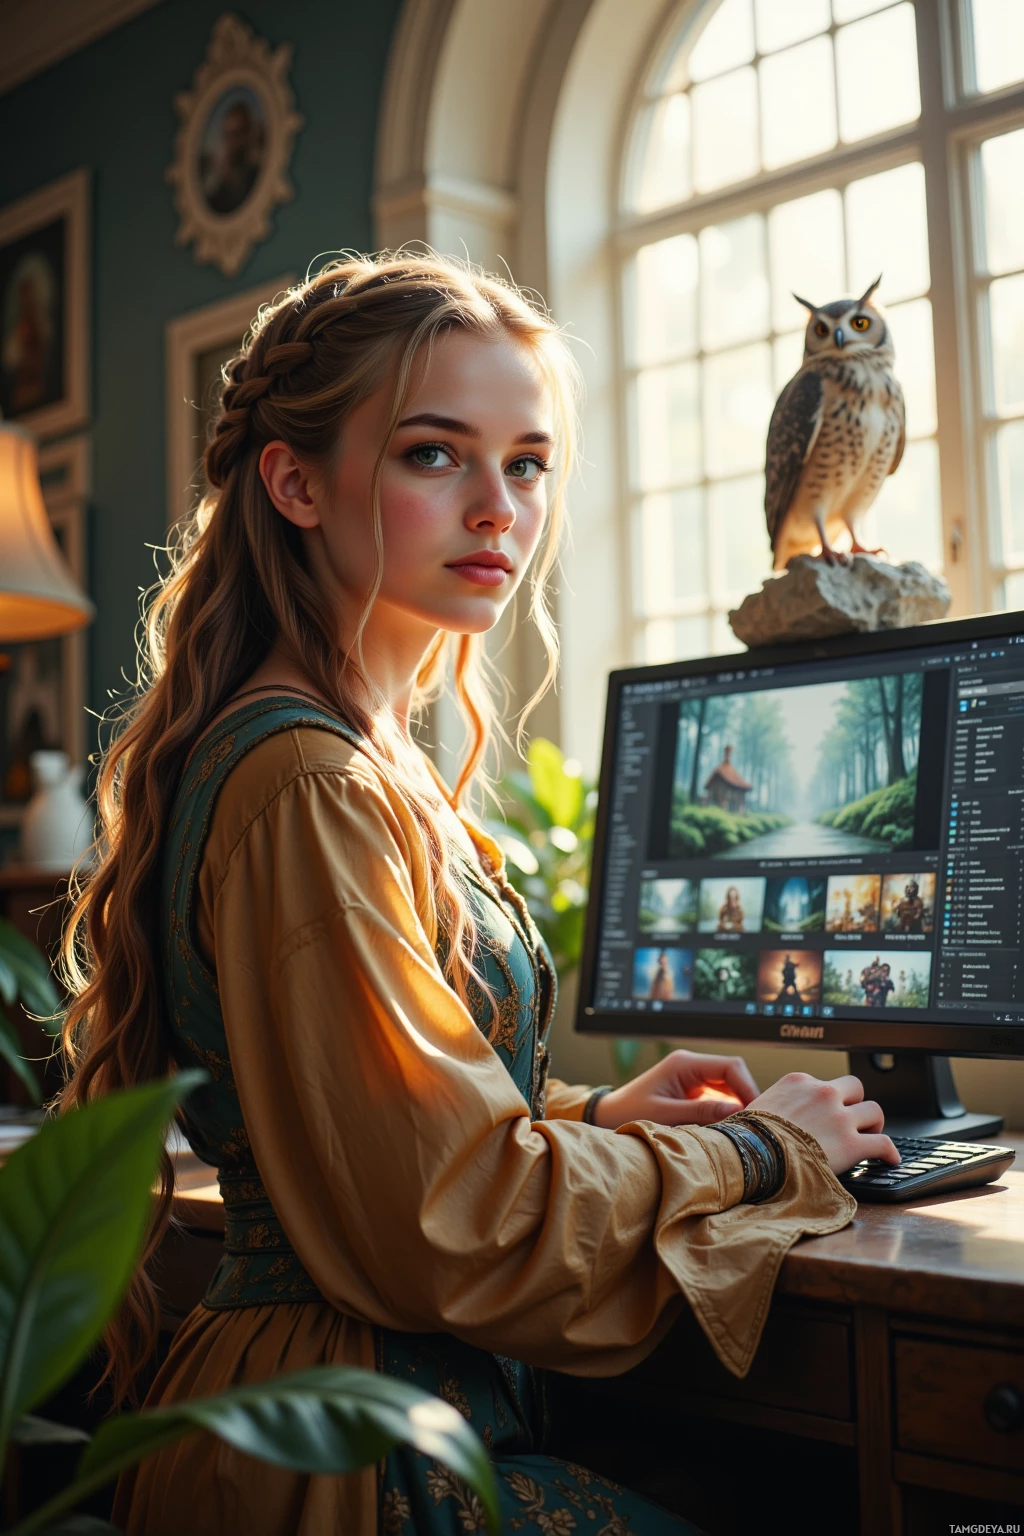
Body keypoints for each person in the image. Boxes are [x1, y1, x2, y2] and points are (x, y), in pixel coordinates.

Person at [59, 254, 899, 1536]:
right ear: (294, 481)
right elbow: (448, 1217)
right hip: (345, 1455)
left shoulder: (346, 757)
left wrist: (597, 1112)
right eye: (434, 455)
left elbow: (380, 1116)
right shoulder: (311, 783)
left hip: (363, 1411)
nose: (498, 507)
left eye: (526, 463)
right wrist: (755, 1148)